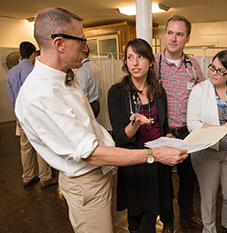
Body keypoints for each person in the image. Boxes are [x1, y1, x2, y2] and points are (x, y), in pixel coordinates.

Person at [15, 8, 188, 233]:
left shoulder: (65, 77)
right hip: (87, 179)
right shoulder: (40, 95)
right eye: (81, 40)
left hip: (102, 174)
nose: (85, 47)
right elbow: (92, 153)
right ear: (59, 44)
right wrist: (155, 154)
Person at [108, 38, 175, 233]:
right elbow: (121, 137)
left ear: (151, 61)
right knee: (136, 219)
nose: (135, 63)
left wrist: (170, 136)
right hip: (135, 163)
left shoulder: (158, 90)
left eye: (140, 57)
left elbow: (164, 125)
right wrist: (135, 123)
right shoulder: (117, 92)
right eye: (130, 57)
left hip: (158, 160)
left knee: (153, 212)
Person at [187, 50, 227, 233]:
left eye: (221, 71)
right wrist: (217, 130)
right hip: (207, 151)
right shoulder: (200, 90)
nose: (214, 73)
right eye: (213, 67)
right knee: (209, 196)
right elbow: (192, 124)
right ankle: (209, 229)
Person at [154, 15, 205, 233]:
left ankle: (186, 214)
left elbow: (204, 95)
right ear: (164, 34)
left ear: (187, 38)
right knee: (164, 182)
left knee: (188, 178)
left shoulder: (193, 66)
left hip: (187, 134)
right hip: (163, 134)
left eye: (179, 34)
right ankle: (167, 221)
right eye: (170, 32)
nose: (173, 38)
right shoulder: (152, 64)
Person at [6, 41, 58, 189]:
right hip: (36, 115)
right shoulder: (35, 72)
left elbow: (12, 97)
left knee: (25, 146)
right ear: (33, 54)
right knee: (41, 144)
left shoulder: (11, 73)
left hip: (19, 114)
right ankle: (45, 177)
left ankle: (27, 177)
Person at [76, 44, 102, 117]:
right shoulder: (95, 67)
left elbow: (83, 93)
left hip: (89, 105)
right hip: (97, 104)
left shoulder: (82, 70)